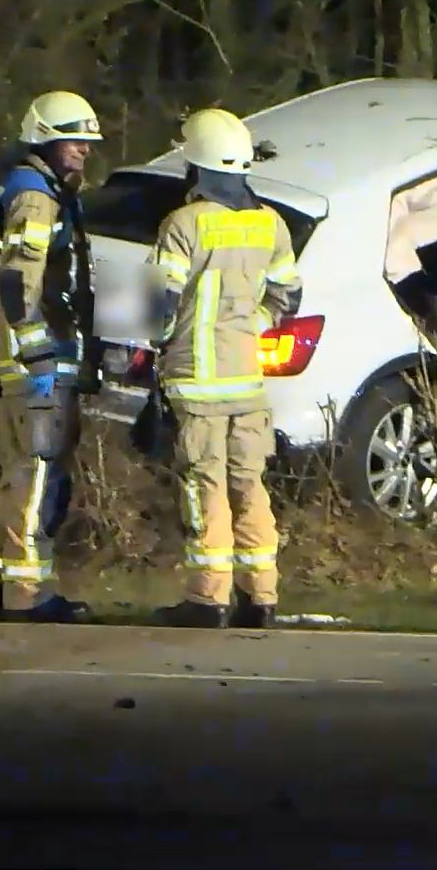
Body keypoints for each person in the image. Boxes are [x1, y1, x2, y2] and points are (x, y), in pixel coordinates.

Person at [146, 108, 303, 629]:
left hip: (197, 382)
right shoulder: (271, 224)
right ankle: (260, 598)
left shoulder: (183, 224)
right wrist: (254, 324)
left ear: (195, 164)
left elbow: (160, 306)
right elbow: (289, 293)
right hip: (249, 385)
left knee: (203, 485)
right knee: (250, 485)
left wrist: (157, 345)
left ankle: (206, 599)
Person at [0, 90, 104, 623]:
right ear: (45, 141)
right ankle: (27, 594)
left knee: (20, 471)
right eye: (72, 141)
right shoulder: (36, 198)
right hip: (41, 363)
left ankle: (6, 584)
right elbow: (19, 277)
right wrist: (37, 347)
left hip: (36, 359)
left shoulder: (35, 188)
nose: (82, 150)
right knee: (37, 470)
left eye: (85, 142)